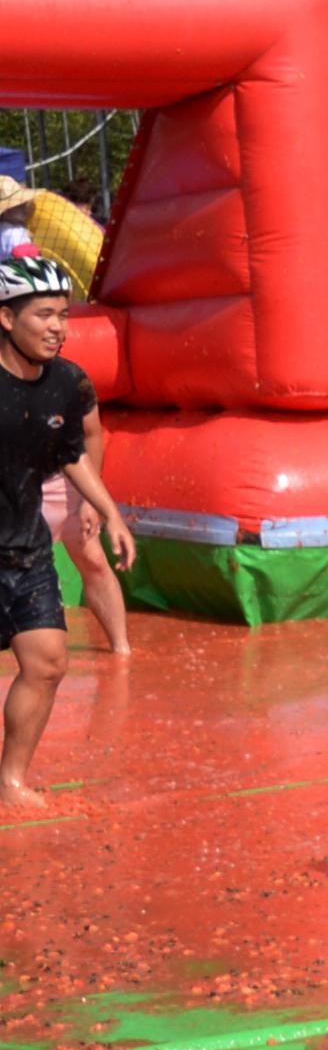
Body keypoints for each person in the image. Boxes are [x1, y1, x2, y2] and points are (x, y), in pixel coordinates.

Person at [0, 258, 134, 801]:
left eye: (64, 314)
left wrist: (110, 512)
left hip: (25, 548)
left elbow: (73, 454)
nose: (58, 326)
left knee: (49, 660)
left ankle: (10, 780)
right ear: (7, 319)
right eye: (44, 314)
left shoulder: (68, 382)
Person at [37, 373, 129, 657]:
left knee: (94, 561)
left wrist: (90, 501)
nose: (53, 329)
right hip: (13, 487)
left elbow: (91, 434)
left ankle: (121, 650)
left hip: (62, 482)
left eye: (60, 324)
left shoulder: (71, 379)